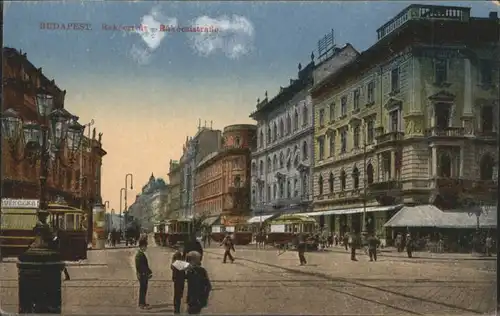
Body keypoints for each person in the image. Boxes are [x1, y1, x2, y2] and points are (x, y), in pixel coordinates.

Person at [135, 237, 152, 309]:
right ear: (142, 246)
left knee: (144, 289)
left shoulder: (141, 254)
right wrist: (146, 273)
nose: (146, 248)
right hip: (142, 274)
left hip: (143, 274)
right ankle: (141, 304)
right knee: (143, 289)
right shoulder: (139, 255)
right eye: (145, 246)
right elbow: (140, 266)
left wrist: (149, 272)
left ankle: (143, 303)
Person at [171, 248, 186, 314]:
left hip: (178, 280)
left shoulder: (175, 263)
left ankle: (176, 310)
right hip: (179, 280)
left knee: (178, 295)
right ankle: (176, 310)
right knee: (178, 296)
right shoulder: (178, 263)